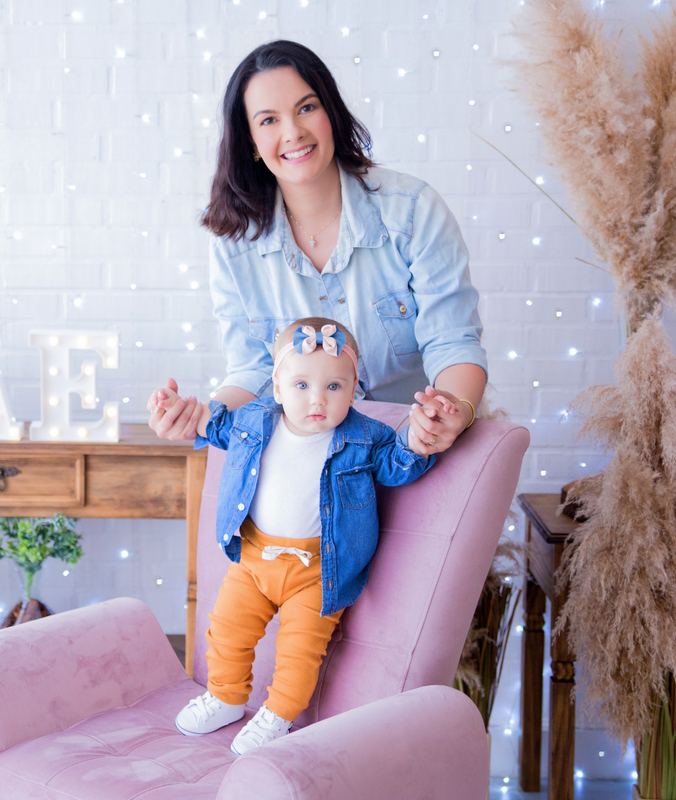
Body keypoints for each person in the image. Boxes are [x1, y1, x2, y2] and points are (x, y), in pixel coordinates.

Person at [150, 40, 486, 454]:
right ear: (251, 142)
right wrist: (204, 417)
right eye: (269, 120)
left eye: (307, 108)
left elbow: (452, 341)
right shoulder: (234, 243)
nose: (293, 133)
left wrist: (450, 409)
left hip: (414, 449)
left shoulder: (412, 211)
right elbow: (255, 371)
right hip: (304, 464)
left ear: (331, 113)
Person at [152, 317, 450, 755]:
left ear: (354, 391)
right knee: (226, 631)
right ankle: (226, 696)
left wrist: (419, 440)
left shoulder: (364, 437)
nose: (317, 399)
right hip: (254, 559)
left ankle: (278, 716)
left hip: (319, 572)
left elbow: (396, 461)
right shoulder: (254, 422)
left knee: (299, 653)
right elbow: (211, 426)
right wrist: (183, 410)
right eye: (302, 385)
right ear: (276, 387)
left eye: (334, 387)